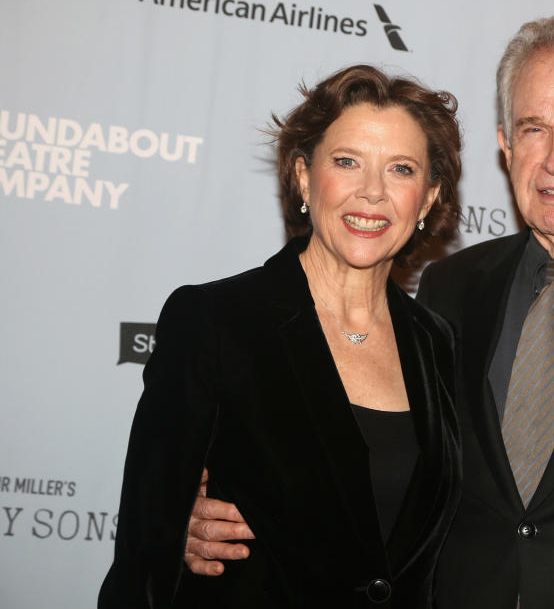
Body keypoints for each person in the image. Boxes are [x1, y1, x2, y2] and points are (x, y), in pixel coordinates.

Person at [185, 13, 554, 608]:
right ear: (506, 146)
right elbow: (386, 476)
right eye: (534, 128)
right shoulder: (450, 290)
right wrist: (197, 514)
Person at [98, 65, 462, 608]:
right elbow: (144, 554)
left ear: (428, 198)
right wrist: (177, 533)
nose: (372, 193)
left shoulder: (434, 342)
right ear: (302, 176)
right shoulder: (216, 320)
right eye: (346, 162)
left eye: (401, 170)